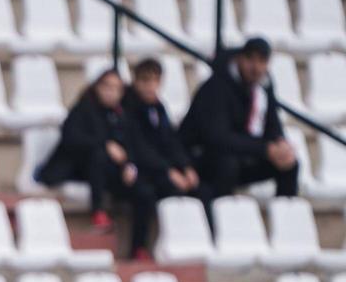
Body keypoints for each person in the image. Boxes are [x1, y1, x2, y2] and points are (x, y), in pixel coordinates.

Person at [36, 69, 158, 257]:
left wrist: (129, 165)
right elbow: (71, 139)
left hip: (110, 173)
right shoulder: (83, 109)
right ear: (97, 87)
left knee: (144, 192)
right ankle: (98, 212)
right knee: (98, 156)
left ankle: (138, 248)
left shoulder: (122, 115)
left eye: (116, 89)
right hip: (78, 168)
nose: (111, 92)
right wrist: (104, 144)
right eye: (107, 86)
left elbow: (132, 146)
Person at [179, 37, 299, 199]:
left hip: (241, 153)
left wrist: (279, 142)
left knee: (289, 163)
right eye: (251, 60)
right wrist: (265, 148)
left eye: (262, 61)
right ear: (240, 59)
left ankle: (286, 212)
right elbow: (217, 138)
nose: (256, 68)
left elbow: (272, 122)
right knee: (227, 164)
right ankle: (222, 212)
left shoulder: (263, 86)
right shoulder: (215, 87)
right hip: (201, 156)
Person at [122, 58, 203, 211]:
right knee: (161, 192)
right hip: (142, 169)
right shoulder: (128, 107)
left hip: (161, 166)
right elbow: (139, 148)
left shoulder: (158, 106)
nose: (151, 86)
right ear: (136, 81)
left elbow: (171, 140)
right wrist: (168, 171)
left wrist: (186, 166)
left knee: (201, 188)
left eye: (155, 81)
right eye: (145, 81)